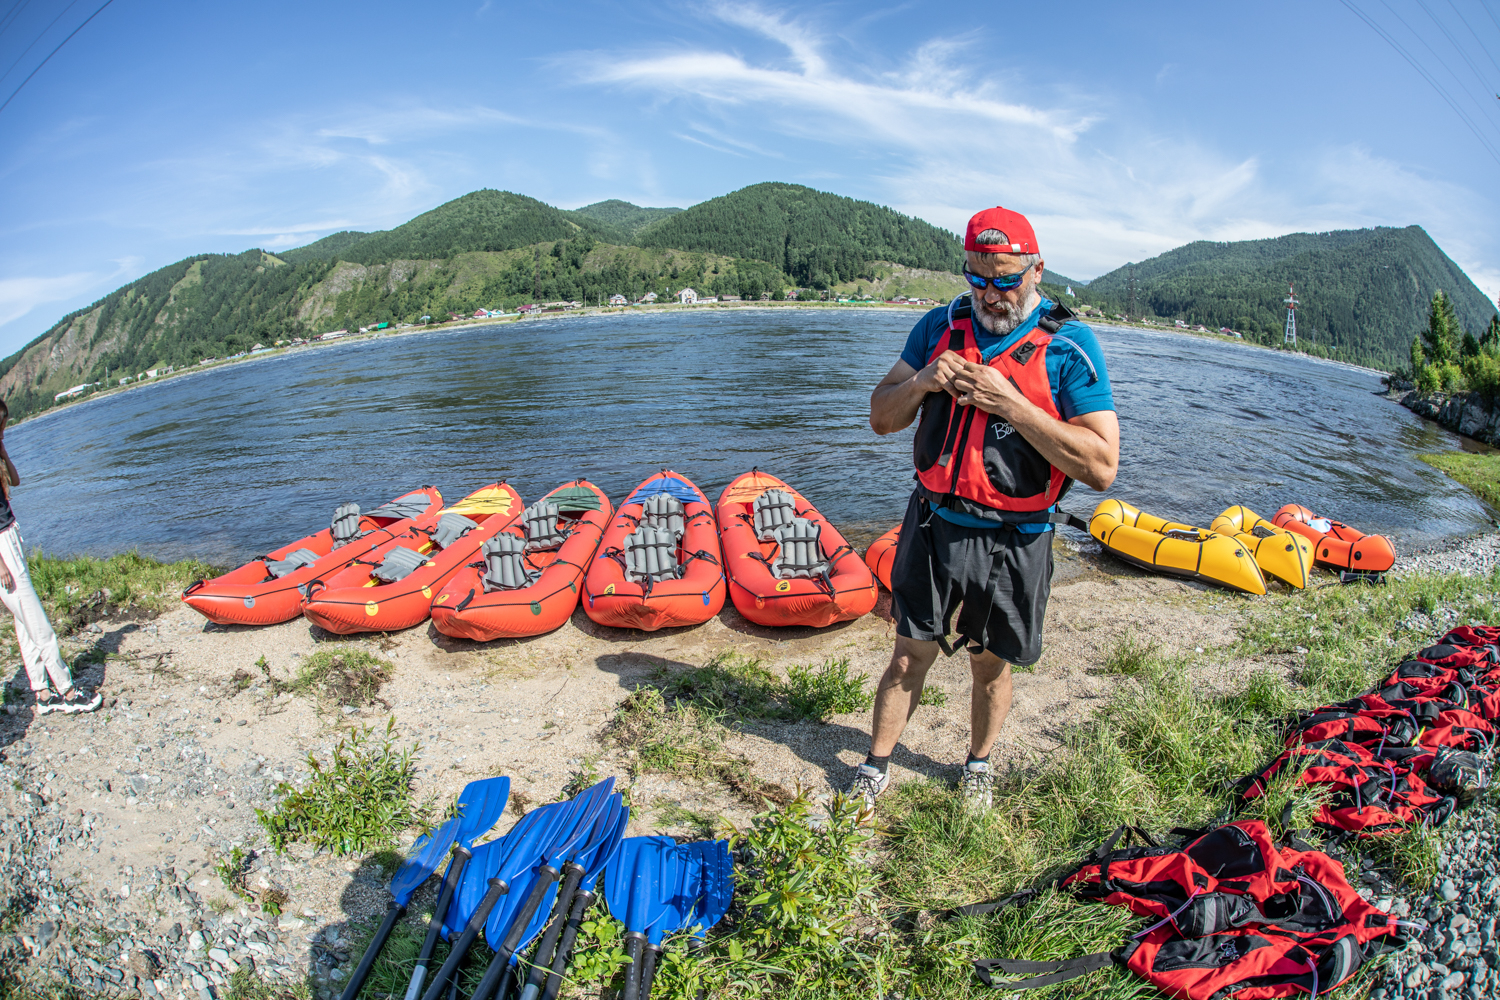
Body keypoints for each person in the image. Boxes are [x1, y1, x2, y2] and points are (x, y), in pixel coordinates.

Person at [851, 206, 1119, 810]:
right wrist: (920, 382)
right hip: (933, 523)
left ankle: (977, 765)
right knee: (905, 655)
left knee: (991, 666)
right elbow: (880, 417)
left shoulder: (1070, 346)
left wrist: (1013, 405)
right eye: (977, 278)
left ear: (1036, 269)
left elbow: (1102, 467)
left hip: (1016, 537)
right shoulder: (936, 328)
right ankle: (876, 765)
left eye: (1005, 279)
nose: (990, 294)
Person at [0, 400, 101, 714]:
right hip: (2, 548)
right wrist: (1, 565)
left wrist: (1, 449)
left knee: (23, 623)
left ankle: (42, 694)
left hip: (9, 538)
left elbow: (15, 481)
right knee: (39, 625)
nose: (3, 430)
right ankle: (69, 692)